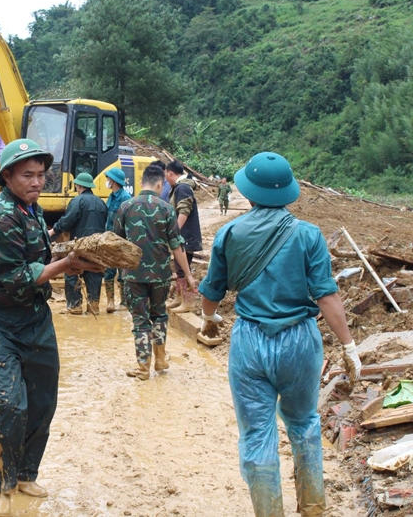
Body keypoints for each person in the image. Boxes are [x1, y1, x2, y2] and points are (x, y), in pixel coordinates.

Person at [198, 151, 362, 517]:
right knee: (304, 423)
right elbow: (326, 295)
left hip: (251, 342)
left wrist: (209, 319)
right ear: (286, 192)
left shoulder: (229, 234)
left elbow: (212, 292)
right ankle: (314, 506)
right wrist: (349, 346)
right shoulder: (308, 235)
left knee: (257, 433)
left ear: (248, 191)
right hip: (300, 342)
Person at [0, 139, 101, 516]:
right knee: (7, 404)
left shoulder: (31, 209)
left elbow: (42, 260)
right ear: (7, 176)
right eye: (27, 175)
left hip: (35, 319)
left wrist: (77, 261)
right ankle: (3, 486)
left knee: (43, 402)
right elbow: (15, 278)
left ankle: (26, 473)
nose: (37, 181)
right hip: (0, 322)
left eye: (41, 174)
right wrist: (68, 265)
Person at [113, 164, 195, 380]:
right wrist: (187, 274)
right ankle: (160, 359)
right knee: (159, 315)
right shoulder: (166, 208)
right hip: (160, 275)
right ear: (160, 184)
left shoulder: (125, 207)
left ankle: (143, 367)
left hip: (133, 275)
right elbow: (177, 245)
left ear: (141, 183)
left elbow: (117, 242)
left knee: (140, 320)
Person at [48, 172, 107, 315]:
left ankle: (74, 306)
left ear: (79, 186)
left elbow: (68, 221)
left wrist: (54, 230)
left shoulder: (77, 201)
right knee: (94, 272)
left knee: (72, 271)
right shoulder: (101, 203)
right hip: (97, 245)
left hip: (79, 244)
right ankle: (93, 306)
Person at [165, 160, 202, 313]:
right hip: (183, 235)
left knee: (183, 267)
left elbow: (184, 211)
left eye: (165, 174)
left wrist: (175, 231)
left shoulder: (183, 188)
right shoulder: (179, 188)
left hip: (185, 235)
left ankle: (188, 302)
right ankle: (179, 298)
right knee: (179, 268)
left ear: (170, 173)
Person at [102, 167, 131, 312]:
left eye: (108, 179)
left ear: (113, 181)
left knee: (122, 272)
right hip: (109, 240)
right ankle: (110, 301)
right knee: (108, 271)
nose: (107, 181)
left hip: (121, 241)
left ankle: (124, 302)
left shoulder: (125, 198)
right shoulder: (111, 197)